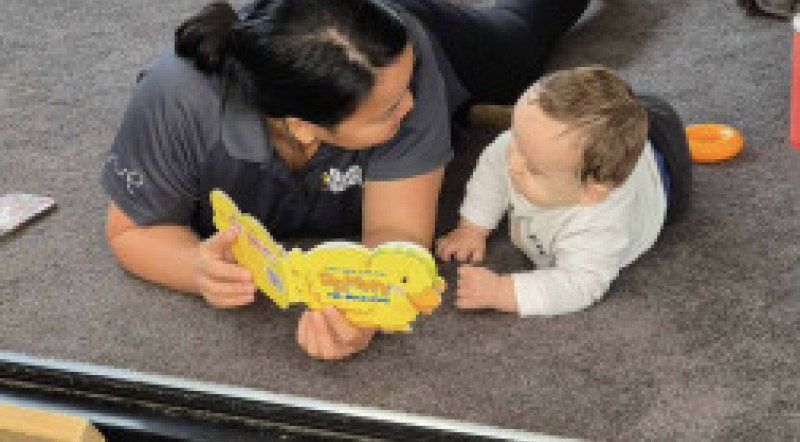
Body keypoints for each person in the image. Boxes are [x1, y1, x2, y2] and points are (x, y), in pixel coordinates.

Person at [101, 0, 591, 359]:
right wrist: (195, 268)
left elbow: (397, 245)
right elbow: (132, 230)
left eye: (409, 89)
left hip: (411, 29)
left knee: (526, 36)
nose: (414, 107)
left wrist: (366, 311)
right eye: (389, 111)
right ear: (302, 127)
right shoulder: (177, 98)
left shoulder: (404, 68)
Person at [436, 66, 692, 316]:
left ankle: (646, 120)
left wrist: (502, 291)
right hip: (601, 145)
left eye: (533, 168)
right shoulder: (521, 153)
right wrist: (472, 227)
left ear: (591, 193)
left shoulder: (600, 224)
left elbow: (582, 284)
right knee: (603, 125)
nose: (512, 163)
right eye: (515, 139)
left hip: (663, 165)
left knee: (645, 123)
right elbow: (493, 167)